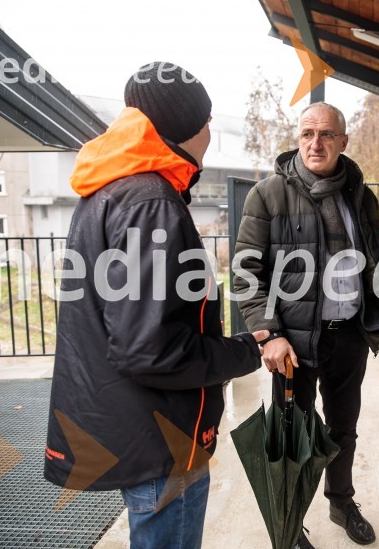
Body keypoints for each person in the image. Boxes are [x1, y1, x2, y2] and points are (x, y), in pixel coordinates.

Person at [44, 62, 268, 549]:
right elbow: (152, 351)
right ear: (187, 126)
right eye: (206, 120)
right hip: (162, 438)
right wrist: (245, 351)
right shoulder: (151, 203)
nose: (211, 130)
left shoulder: (115, 188)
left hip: (138, 425)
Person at [233, 102, 379, 548]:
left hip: (348, 336)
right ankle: (291, 521)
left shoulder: (360, 195)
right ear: (298, 138)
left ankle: (341, 503)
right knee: (293, 436)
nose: (315, 143)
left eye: (326, 134)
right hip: (293, 345)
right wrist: (269, 333)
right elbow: (246, 273)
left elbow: (374, 260)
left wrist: (377, 315)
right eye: (307, 133)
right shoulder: (268, 194)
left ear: (343, 141)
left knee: (343, 429)